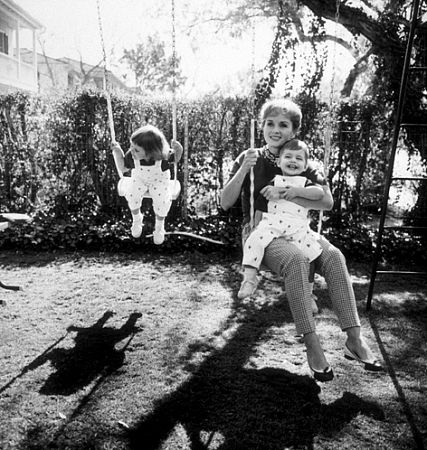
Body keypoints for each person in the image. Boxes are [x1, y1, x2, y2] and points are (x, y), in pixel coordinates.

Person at [221, 98, 382, 382]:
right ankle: (312, 345)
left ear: (294, 130)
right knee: (295, 260)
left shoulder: (303, 159)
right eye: (270, 123)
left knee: (334, 256)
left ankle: (354, 340)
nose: (275, 130)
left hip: (298, 230)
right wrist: (244, 168)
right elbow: (225, 202)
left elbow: (328, 203)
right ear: (262, 126)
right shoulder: (250, 157)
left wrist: (287, 193)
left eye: (283, 124)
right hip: (263, 234)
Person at [238, 139, 324, 300]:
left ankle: (308, 294)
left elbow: (320, 194)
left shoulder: (305, 183)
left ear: (305, 166)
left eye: (299, 159)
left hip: (298, 227)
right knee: (254, 239)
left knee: (310, 255)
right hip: (273, 224)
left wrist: (297, 191)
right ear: (279, 162)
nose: (293, 161)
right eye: (288, 157)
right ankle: (249, 279)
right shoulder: (273, 183)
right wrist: (255, 224)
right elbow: (261, 206)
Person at [111, 124, 183, 245]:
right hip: (139, 179)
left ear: (151, 151)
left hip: (159, 181)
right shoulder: (132, 155)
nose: (132, 150)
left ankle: (159, 226)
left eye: (136, 149)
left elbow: (176, 158)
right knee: (131, 194)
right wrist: (118, 152)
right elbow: (123, 168)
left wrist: (179, 148)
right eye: (131, 146)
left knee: (162, 199)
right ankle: (137, 219)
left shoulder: (164, 156)